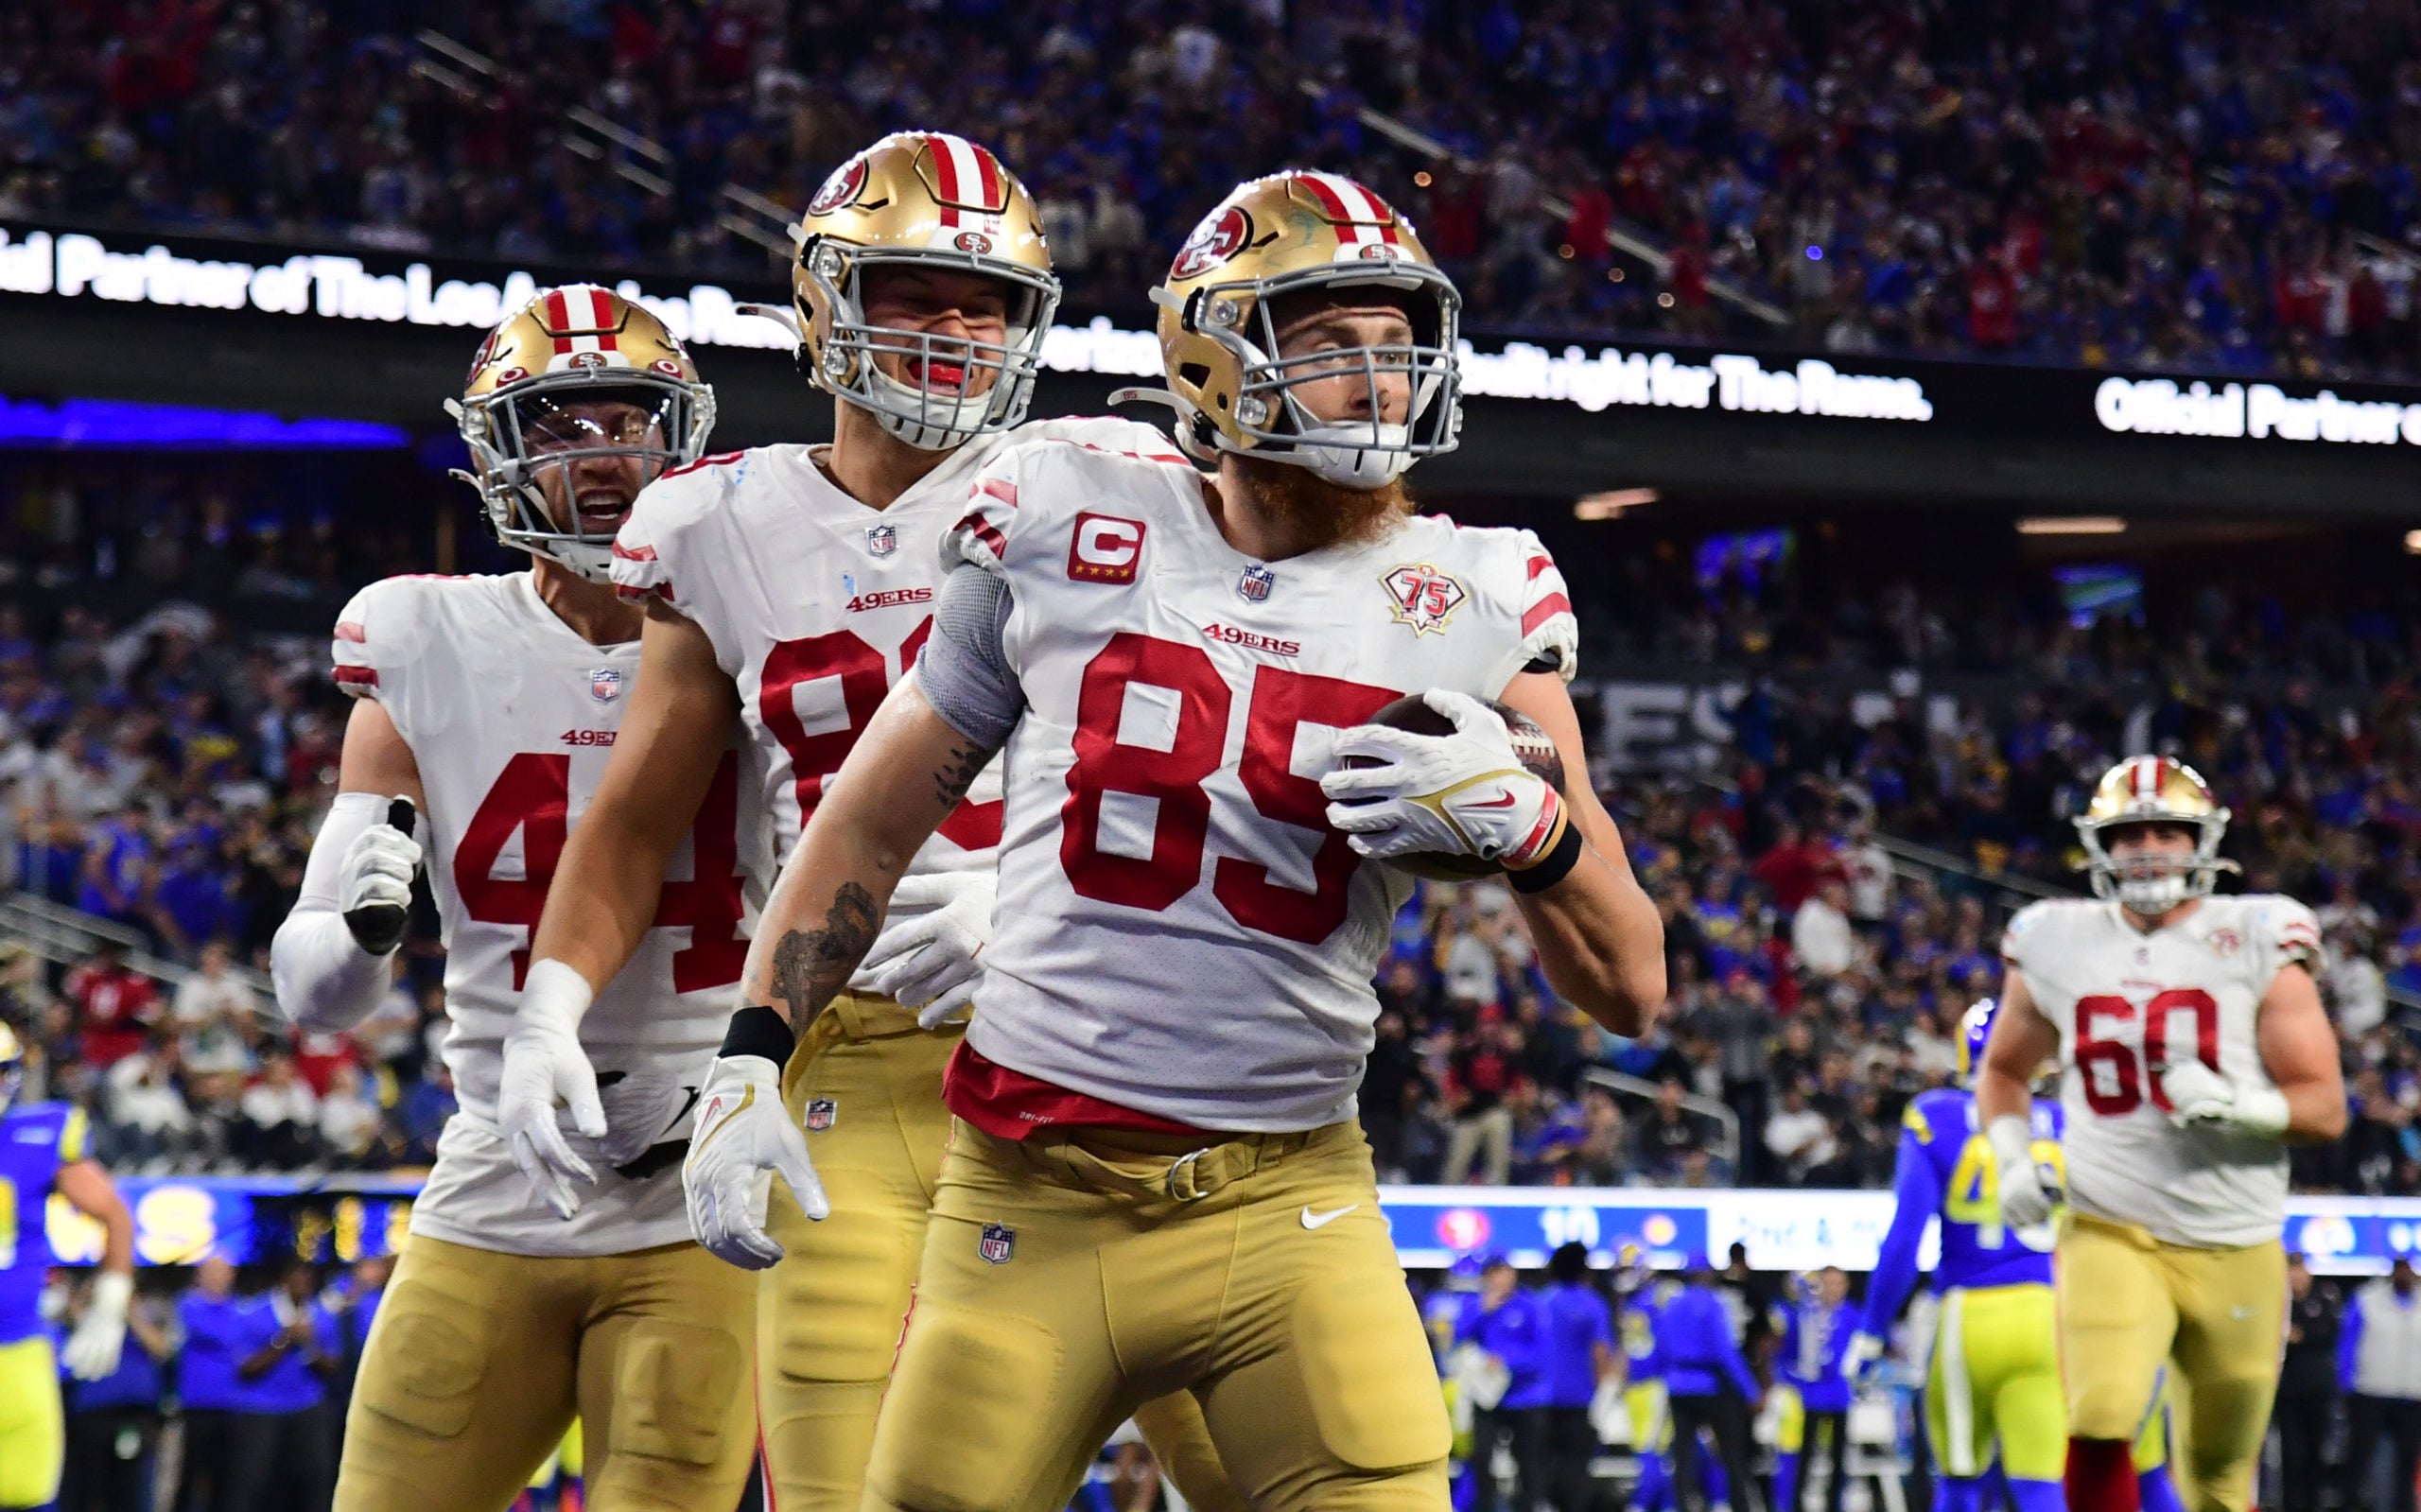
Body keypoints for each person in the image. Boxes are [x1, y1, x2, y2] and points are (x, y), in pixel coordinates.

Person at [687, 167, 1663, 1512]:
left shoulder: (1478, 596)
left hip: (1289, 1204)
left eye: (1396, 344)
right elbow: (869, 816)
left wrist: (1536, 835)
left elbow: (1632, 984)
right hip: (1026, 1196)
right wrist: (752, 1053)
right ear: (1215, 357)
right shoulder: (1064, 512)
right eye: (1330, 343)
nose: (1379, 382)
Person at [511, 131, 1236, 1512]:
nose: (956, 331)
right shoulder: (718, 521)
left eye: (988, 304)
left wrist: (1037, 900)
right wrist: (552, 1004)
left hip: (1116, 1034)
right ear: (824, 301)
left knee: (1269, 1471)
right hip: (854, 1046)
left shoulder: (1116, 476)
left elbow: (1238, 762)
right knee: (843, 1486)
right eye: (915, 293)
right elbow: (635, 820)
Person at [268, 286, 761, 1510]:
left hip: (702, 1181)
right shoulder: (425, 638)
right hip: (497, 1169)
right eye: (560, 424)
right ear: (495, 452)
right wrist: (355, 934)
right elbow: (317, 995)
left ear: (682, 437)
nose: (602, 454)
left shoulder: (761, 631)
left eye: (629, 420)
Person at [1980, 756, 2347, 1512]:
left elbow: (2325, 1107)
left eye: (2167, 831)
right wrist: (2012, 1157)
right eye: (2129, 833)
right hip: (2109, 1220)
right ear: (2100, 844)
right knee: (2101, 1414)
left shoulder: (2256, 934)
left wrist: (2240, 1106)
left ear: (2202, 839)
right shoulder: (2053, 938)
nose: (2147, 848)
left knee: (2218, 1474)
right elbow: (2005, 1070)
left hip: (2235, 1234)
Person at [1845, 999, 2064, 1512]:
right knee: (2040, 1487)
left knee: (1961, 1484)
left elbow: (1905, 1239)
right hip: (2050, 1313)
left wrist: (1872, 1330)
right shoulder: (2066, 1121)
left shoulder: (1936, 1115)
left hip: (1970, 1310)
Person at [0, 1022, 136, 1512]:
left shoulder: (35, 1135)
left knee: (28, 1493)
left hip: (18, 1344)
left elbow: (115, 1215)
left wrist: (110, 1304)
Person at [224, 1256, 341, 1510]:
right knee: (252, 1481)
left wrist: (309, 1343)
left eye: (308, 1279)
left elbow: (332, 1367)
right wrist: (286, 1339)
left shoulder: (321, 1315)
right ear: (284, 1279)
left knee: (315, 1478)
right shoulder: (254, 1312)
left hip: (308, 1405)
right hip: (261, 1408)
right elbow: (245, 1368)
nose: (303, 1284)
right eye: (297, 1277)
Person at [1657, 1255, 1763, 1512]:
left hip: (1678, 1387)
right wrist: (1750, 1391)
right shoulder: (1713, 1303)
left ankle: (1681, 1505)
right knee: (1730, 1452)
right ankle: (1740, 1506)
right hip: (1709, 1386)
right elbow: (1725, 1351)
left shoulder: (1672, 1305)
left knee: (1682, 1455)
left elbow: (1661, 1347)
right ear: (1706, 1274)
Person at [1456, 1256, 1545, 1512]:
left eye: (1503, 1272)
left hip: (1524, 1396)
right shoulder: (1476, 1306)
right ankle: (1484, 1506)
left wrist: (1507, 1363)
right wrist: (1482, 1310)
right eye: (1492, 1274)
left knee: (1528, 1459)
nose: (1498, 1279)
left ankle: (1527, 1506)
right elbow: (1456, 1340)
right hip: (1487, 1397)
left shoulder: (1530, 1305)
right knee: (1480, 1455)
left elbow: (1541, 1352)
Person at [1538, 1242, 1617, 1512]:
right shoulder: (1592, 1304)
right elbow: (1600, 1351)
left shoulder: (1543, 1301)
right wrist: (1607, 1391)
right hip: (1579, 1397)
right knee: (1576, 1464)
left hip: (1541, 1396)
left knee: (1544, 1461)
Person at [2339, 1252, 2421, 1512]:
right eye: (2400, 1270)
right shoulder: (2367, 1299)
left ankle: (2403, 1507)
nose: (2404, 1275)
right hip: (2370, 1391)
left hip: (2412, 1394)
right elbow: (2347, 1343)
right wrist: (2345, 1384)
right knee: (2359, 1456)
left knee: (2407, 1462)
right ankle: (2352, 1505)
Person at [1774, 1268, 1854, 1512]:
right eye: (1828, 1283)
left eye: (1838, 1283)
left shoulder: (1852, 1314)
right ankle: (1796, 1505)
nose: (1833, 1289)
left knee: (1838, 1459)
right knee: (1803, 1458)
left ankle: (1834, 1506)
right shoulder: (1805, 1315)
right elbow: (1785, 1352)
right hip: (1810, 1397)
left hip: (1840, 1396)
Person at [176, 1252, 248, 1512]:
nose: (217, 1278)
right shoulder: (188, 1306)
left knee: (226, 1477)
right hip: (197, 1406)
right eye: (211, 1272)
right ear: (200, 1276)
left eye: (222, 1272)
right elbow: (228, 1336)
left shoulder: (240, 1309)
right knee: (190, 1474)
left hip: (233, 1406)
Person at [2275, 1253, 2341, 1512]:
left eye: (2300, 1270)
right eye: (2291, 1272)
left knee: (2316, 1452)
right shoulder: (2279, 1302)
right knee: (2292, 1453)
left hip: (2318, 1391)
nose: (2297, 1277)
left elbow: (2329, 1335)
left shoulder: (2325, 1296)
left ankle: (2314, 1505)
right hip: (2288, 1392)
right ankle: (2290, 1505)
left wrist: (2300, 1337)